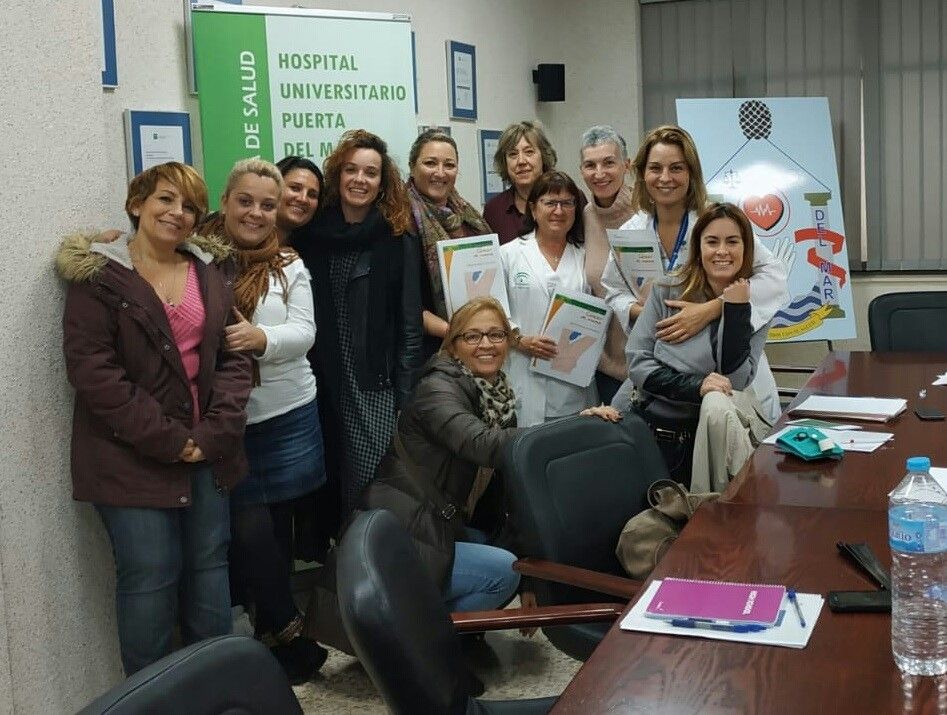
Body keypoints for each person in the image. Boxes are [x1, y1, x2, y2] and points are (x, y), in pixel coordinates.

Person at [57, 162, 253, 675]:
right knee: (151, 575)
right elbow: (95, 374)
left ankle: (218, 692)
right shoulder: (100, 278)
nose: (178, 213)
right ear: (137, 203)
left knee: (209, 570)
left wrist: (210, 435)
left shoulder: (210, 273)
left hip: (208, 452)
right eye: (166, 199)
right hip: (128, 457)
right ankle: (151, 701)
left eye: (190, 206)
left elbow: (234, 360)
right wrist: (171, 441)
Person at [199, 159, 328, 683]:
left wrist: (262, 341)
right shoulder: (196, 257)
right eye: (245, 201)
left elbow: (304, 332)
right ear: (225, 201)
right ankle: (286, 630)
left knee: (275, 527)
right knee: (249, 526)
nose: (256, 213)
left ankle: (268, 634)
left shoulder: (290, 263)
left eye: (267, 205)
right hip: (228, 420)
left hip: (288, 412)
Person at [601, 125, 787, 423]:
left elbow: (773, 276)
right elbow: (614, 290)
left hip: (724, 372)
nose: (665, 178)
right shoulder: (631, 232)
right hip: (665, 371)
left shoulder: (717, 222)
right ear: (641, 174)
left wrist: (711, 309)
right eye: (655, 168)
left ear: (692, 173)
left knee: (733, 457)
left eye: (676, 168)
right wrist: (647, 312)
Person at [295, 129, 423, 532]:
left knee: (373, 486)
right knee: (332, 485)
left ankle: (376, 572)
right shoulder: (310, 234)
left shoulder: (395, 238)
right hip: (322, 383)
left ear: (382, 183)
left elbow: (409, 325)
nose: (360, 179)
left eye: (370, 172)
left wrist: (404, 396)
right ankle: (342, 574)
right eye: (351, 169)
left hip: (374, 386)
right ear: (337, 174)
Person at [625, 203, 774, 492]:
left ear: (747, 249)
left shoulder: (756, 303)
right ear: (698, 246)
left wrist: (735, 309)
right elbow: (638, 364)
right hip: (663, 434)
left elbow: (738, 379)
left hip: (722, 435)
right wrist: (696, 385)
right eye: (712, 241)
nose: (722, 251)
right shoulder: (667, 290)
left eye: (732, 241)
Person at [500, 170, 599, 427]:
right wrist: (519, 340)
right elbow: (491, 314)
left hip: (573, 384)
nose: (559, 210)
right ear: (533, 209)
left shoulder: (586, 257)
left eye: (567, 203)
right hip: (522, 375)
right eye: (550, 203)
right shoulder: (508, 255)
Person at [406, 129, 494, 357]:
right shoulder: (401, 220)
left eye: (449, 165)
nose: (440, 172)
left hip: (475, 343)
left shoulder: (467, 215)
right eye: (430, 163)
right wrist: (455, 332)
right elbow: (400, 302)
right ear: (412, 166)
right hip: (430, 350)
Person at [579, 125, 635, 405]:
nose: (599, 173)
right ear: (581, 171)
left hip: (653, 362)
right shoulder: (582, 217)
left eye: (608, 162)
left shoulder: (648, 211)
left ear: (627, 164)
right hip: (605, 366)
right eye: (590, 165)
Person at [483, 120, 558, 245]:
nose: (521, 161)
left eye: (529, 152)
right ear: (505, 162)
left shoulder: (570, 199)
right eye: (513, 154)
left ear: (543, 156)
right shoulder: (494, 210)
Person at [274, 155, 323, 245]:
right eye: (295, 188)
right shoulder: (244, 244)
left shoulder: (315, 251)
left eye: (312, 195)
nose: (303, 199)